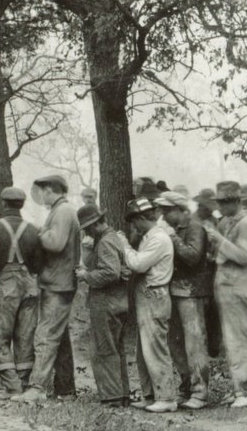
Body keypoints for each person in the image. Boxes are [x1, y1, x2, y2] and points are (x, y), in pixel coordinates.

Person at [201, 184, 247, 407]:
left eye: (224, 202)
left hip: (238, 288)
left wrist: (218, 240)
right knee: (231, 341)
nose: (220, 206)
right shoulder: (226, 222)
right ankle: (238, 388)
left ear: (236, 202)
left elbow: (245, 256)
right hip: (226, 288)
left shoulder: (246, 224)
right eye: (219, 202)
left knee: (241, 339)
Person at [21, 174, 78, 399]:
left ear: (50, 190)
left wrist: (39, 232)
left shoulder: (63, 211)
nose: (40, 195)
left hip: (58, 284)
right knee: (59, 337)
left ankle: (37, 388)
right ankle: (66, 389)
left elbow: (56, 243)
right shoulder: (62, 210)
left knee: (46, 335)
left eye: (42, 190)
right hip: (58, 282)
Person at [0, 186, 38, 394]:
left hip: (6, 285)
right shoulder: (33, 229)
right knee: (26, 335)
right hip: (30, 285)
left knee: (0, 335)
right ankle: (22, 382)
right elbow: (39, 264)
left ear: (3, 203)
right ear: (22, 205)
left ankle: (12, 385)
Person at [79, 205, 136, 404]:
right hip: (117, 301)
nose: (86, 232)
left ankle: (112, 397)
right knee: (115, 349)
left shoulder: (105, 242)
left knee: (104, 349)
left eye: (87, 228)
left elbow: (110, 272)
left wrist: (86, 275)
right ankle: (122, 395)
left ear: (95, 224)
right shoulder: (113, 238)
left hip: (106, 303)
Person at [125, 197, 177, 412]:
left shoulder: (159, 238)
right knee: (143, 349)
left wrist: (124, 246)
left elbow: (138, 264)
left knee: (155, 348)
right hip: (146, 296)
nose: (133, 226)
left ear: (141, 218)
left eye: (134, 220)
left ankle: (166, 398)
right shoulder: (149, 237)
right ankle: (151, 394)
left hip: (154, 295)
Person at [163, 189, 211, 408]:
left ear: (179, 210)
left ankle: (200, 392)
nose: (162, 215)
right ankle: (185, 387)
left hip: (192, 292)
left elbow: (192, 256)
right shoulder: (173, 228)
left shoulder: (194, 228)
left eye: (167, 210)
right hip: (174, 291)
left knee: (194, 343)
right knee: (176, 343)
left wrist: (172, 238)